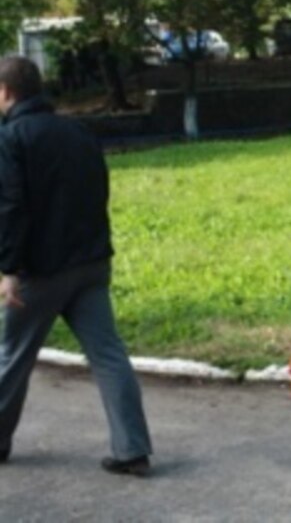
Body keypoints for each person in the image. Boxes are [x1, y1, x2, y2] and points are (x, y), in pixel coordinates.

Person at [0, 56, 152, 475]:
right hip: (90, 262)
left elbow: (10, 207)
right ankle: (132, 448)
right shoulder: (78, 131)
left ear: (6, 92)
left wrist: (8, 269)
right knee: (108, 355)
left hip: (41, 270)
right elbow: (98, 189)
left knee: (12, 356)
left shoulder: (11, 138)